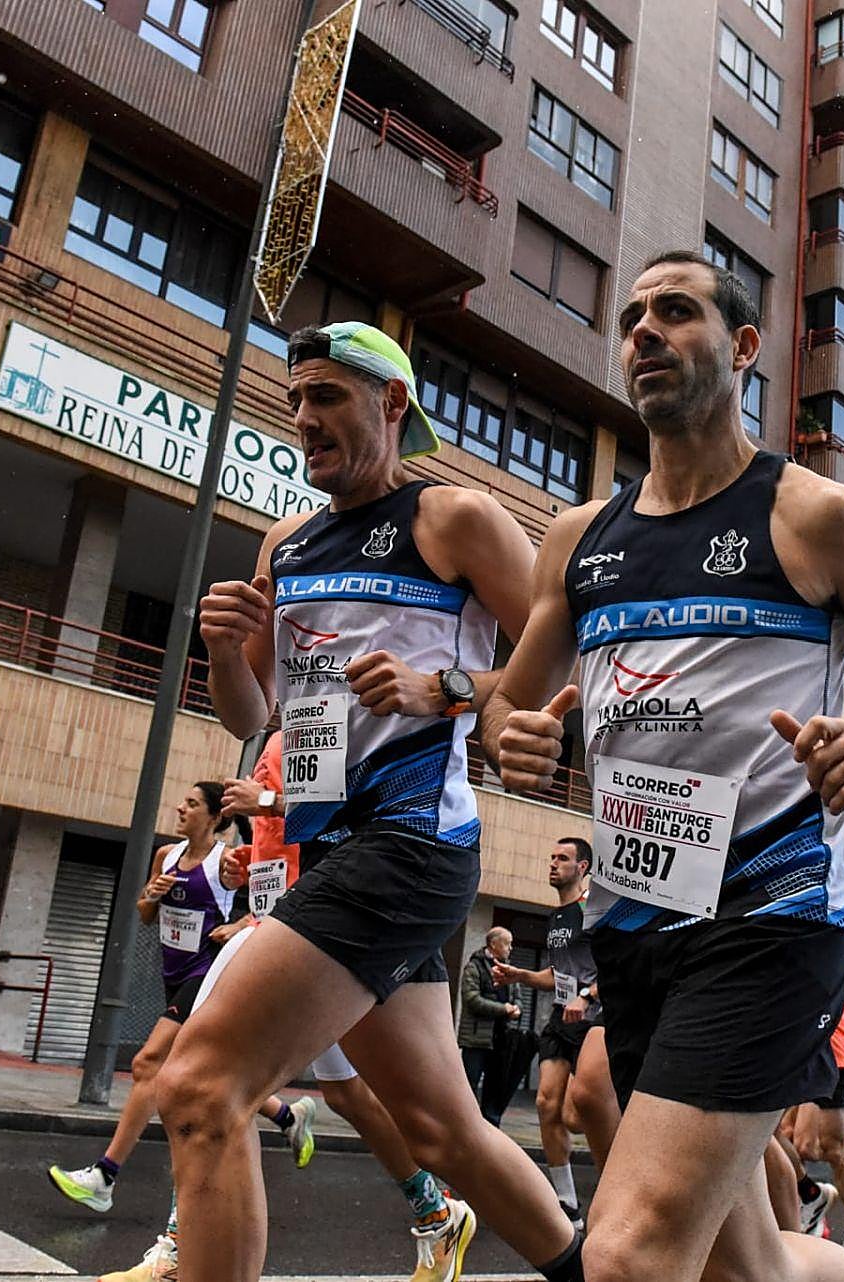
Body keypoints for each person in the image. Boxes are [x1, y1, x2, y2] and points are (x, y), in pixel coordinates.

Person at [485, 250, 844, 1282]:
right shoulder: (581, 538)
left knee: (626, 1257)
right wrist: (512, 731)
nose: (644, 331)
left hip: (772, 915)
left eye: (676, 312)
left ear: (745, 347)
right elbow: (506, 695)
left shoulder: (817, 518)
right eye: (633, 316)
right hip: (632, 926)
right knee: (737, 1264)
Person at [158, 319, 578, 1282]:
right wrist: (224, 649)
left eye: (327, 398)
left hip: (410, 842)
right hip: (320, 844)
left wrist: (453, 691)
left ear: (393, 405)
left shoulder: (452, 519)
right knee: (442, 1129)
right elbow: (253, 716)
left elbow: (569, 665)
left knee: (199, 1086)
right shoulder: (288, 541)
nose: (303, 418)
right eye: (295, 399)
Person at [98, 924, 476, 1282]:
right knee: (225, 1087)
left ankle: (439, 1213)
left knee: (333, 1093)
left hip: (322, 931)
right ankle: (436, 1212)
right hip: (284, 929)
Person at [49, 783, 309, 1213]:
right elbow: (146, 914)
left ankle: (105, 1175)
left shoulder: (223, 859)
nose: (180, 808)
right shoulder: (165, 857)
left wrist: (242, 925)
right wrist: (151, 895)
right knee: (210, 1074)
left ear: (213, 818)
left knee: (147, 1063)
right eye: (182, 802)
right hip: (174, 976)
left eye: (191, 804)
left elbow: (269, 901)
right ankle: (288, 1116)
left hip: (207, 974)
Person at [491, 836, 621, 1228]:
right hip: (559, 1020)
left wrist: (586, 995)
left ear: (583, 867)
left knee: (577, 1114)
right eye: (551, 857)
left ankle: (619, 1189)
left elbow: (617, 968)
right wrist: (522, 975)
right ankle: (568, 1204)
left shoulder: (594, 911)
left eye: (562, 858)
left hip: (594, 1022)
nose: (552, 863)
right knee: (547, 1105)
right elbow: (557, 975)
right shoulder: (556, 918)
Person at [789, 954, 844, 1262]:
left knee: (830, 1149)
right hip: (798, 1053)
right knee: (785, 1139)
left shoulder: (833, 935)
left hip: (832, 1057)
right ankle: (811, 1194)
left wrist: (839, 1026)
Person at [460, 927, 522, 1119]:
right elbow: (471, 999)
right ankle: (463, 1127)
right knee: (468, 1087)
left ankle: (491, 1128)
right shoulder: (475, 966)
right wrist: (503, 1009)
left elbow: (518, 997)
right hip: (477, 1039)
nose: (510, 948)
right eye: (506, 943)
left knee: (495, 1089)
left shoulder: (509, 969)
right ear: (493, 944)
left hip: (502, 1039)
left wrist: (517, 1009)